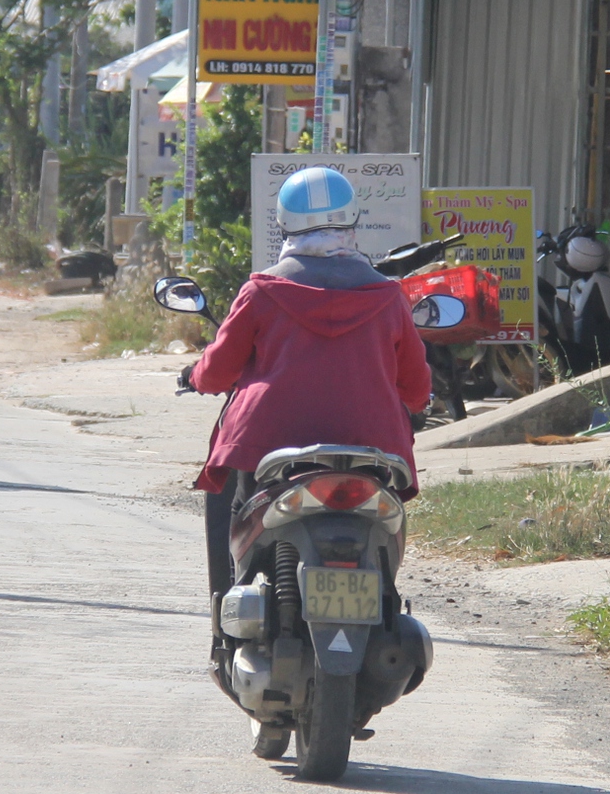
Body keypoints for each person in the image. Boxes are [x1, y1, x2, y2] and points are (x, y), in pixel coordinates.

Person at [182, 166, 431, 595]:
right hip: (372, 440)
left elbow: (219, 369)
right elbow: (417, 387)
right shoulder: (389, 297)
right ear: (352, 223)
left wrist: (195, 376)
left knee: (239, 505)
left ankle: (229, 614)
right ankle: (383, 594)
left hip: (270, 439)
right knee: (384, 524)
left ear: (284, 225)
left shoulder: (262, 291)